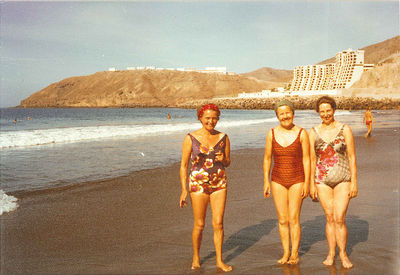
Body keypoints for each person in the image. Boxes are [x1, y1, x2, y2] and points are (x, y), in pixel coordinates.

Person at [179, 103, 233, 272]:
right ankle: (196, 257)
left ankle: (219, 260)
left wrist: (222, 158)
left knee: (218, 223)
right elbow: (183, 165)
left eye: (214, 118)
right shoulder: (190, 138)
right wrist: (183, 190)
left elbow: (228, 162)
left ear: (218, 118)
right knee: (200, 224)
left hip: (219, 183)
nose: (211, 121)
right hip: (198, 184)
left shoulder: (224, 137)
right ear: (200, 118)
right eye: (207, 118)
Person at [309, 96, 358, 269]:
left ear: (334, 110)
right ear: (318, 112)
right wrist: (310, 184)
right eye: (322, 111)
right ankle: (331, 253)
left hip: (343, 178)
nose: (325, 114)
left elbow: (352, 156)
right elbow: (311, 159)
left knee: (339, 218)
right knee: (329, 218)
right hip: (321, 180)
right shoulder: (313, 132)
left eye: (328, 110)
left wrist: (354, 182)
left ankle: (343, 254)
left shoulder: (345, 129)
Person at [263, 100, 310, 264]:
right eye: (281, 113)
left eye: (288, 112)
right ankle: (285, 253)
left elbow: (307, 159)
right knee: (282, 219)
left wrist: (307, 183)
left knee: (294, 218)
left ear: (293, 113)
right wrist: (266, 181)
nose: (285, 116)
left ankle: (295, 253)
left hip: (297, 178)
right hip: (277, 179)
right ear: (277, 116)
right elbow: (267, 158)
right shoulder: (271, 133)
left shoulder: (302, 133)